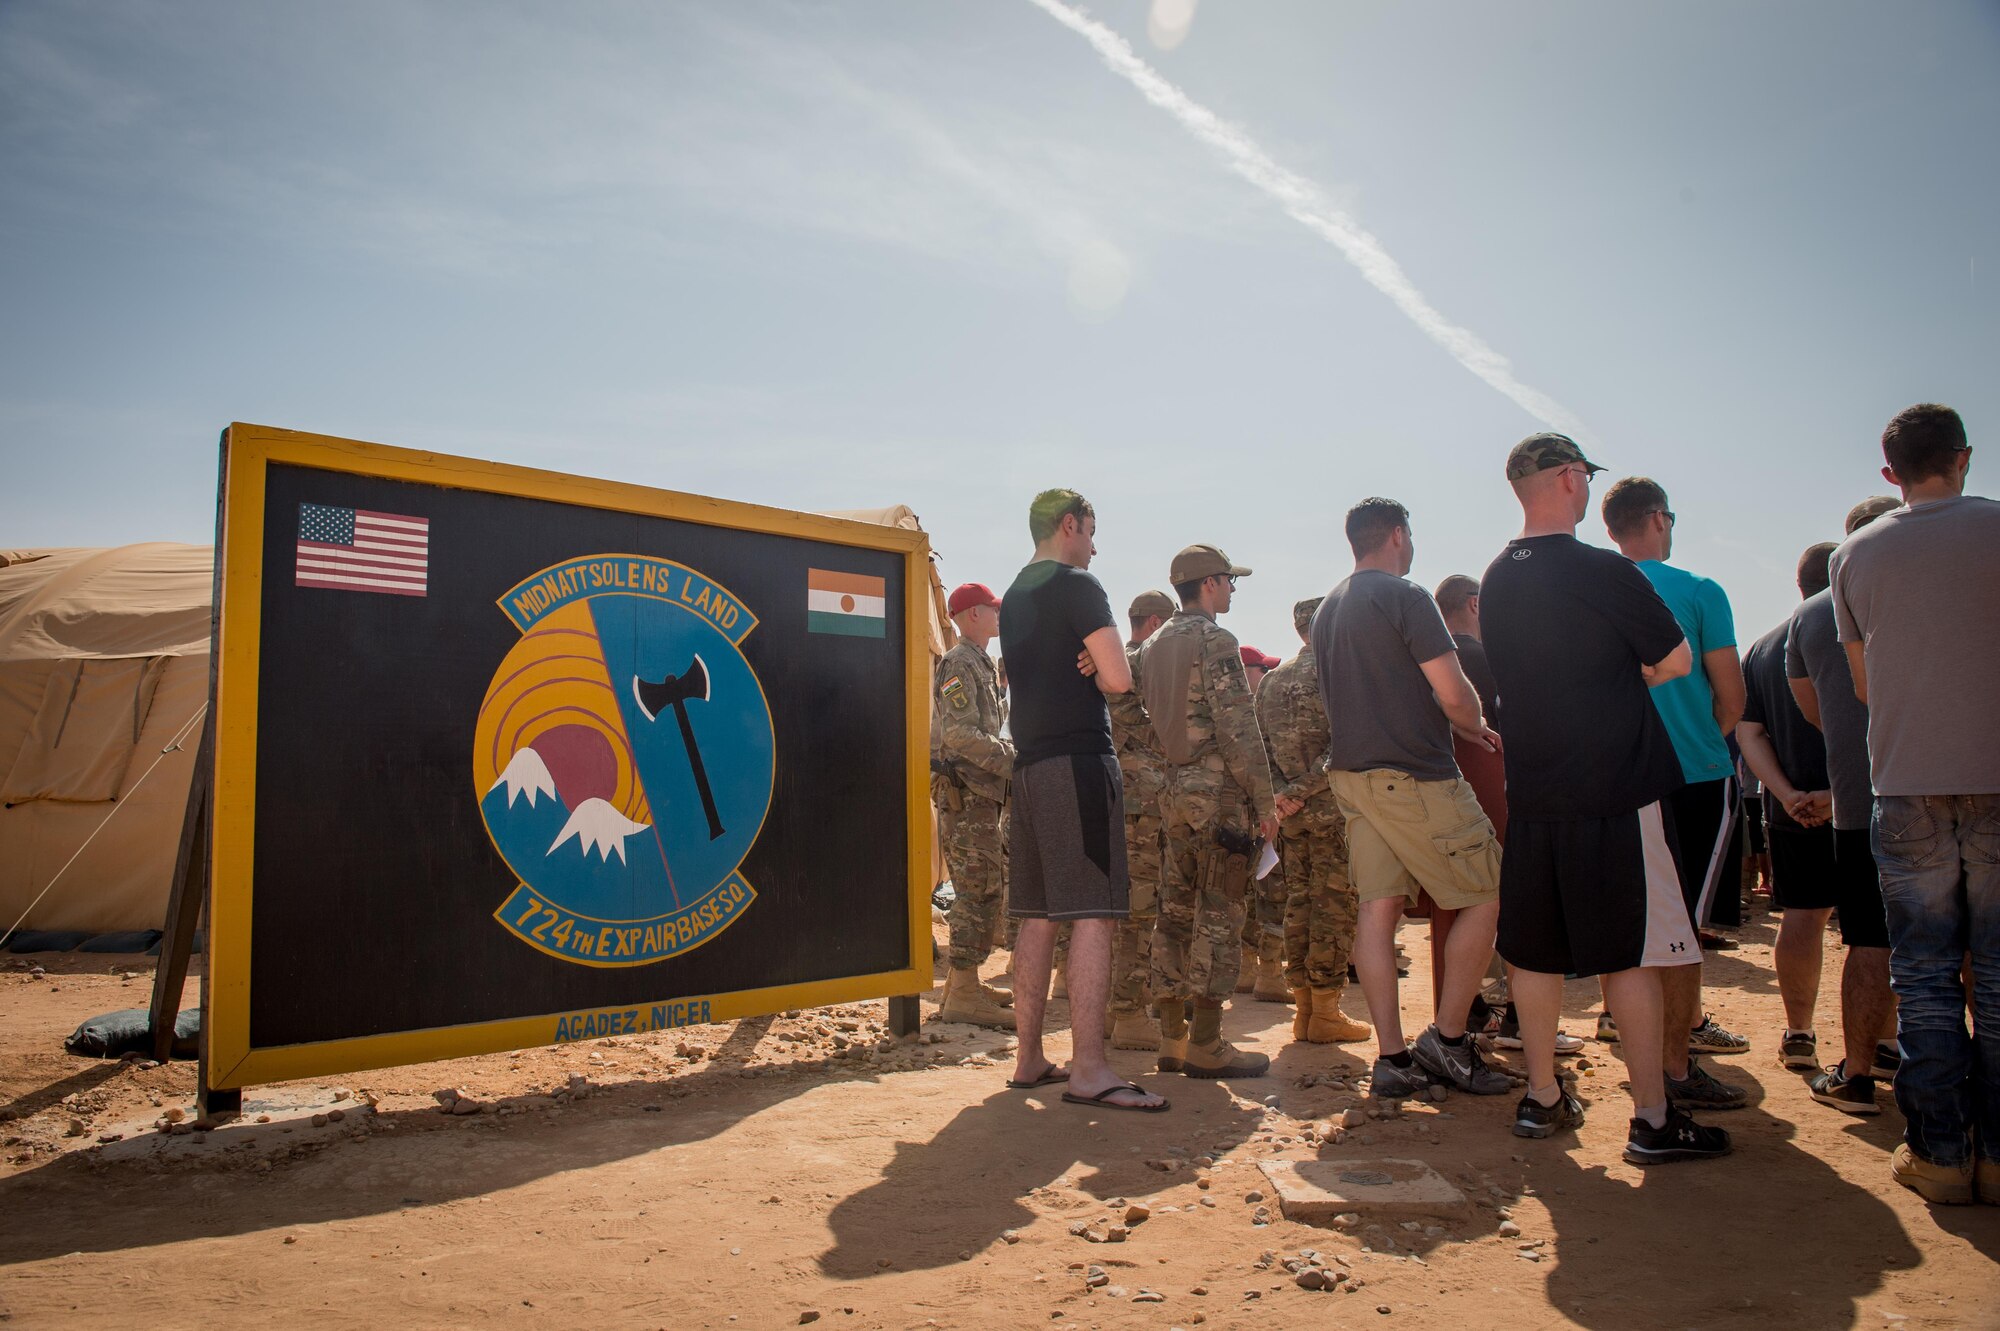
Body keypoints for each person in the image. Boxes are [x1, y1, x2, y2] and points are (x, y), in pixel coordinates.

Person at [1482, 433, 1730, 1163]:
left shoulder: (1496, 576)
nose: (1587, 488)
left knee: (1534, 951)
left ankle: (1542, 1095)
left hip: (1534, 790)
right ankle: (1652, 1116)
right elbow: (1677, 658)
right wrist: (1620, 685)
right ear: (1567, 479)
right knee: (1632, 954)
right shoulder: (1603, 568)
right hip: (1617, 787)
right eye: (1584, 477)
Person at [1829, 403, 2000, 1203]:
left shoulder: (1856, 553)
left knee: (1925, 971)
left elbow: (1864, 685)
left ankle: (1938, 1152)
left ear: (1889, 472)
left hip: (1904, 779)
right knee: (1997, 971)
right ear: (1963, 457)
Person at [1314, 498, 1507, 1100]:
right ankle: (1448, 1042)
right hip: (1414, 776)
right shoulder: (1405, 596)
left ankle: (1392, 1058)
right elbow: (1452, 689)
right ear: (1397, 535)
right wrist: (1470, 721)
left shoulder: (1328, 607)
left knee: (1377, 910)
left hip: (1353, 778)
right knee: (1491, 890)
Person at [997, 488, 1166, 1112]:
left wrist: (1087, 663)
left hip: (1032, 764)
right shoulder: (1079, 585)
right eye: (1092, 532)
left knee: (1038, 915)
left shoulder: (1014, 594)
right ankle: (1089, 1069)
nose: (1095, 547)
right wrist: (1101, 667)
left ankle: (1029, 1058)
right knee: (1093, 911)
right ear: (1069, 525)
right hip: (1078, 763)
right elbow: (1120, 678)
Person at [1601, 477, 1753, 1117]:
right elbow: (1732, 694)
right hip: (1693, 774)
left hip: (1617, 778)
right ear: (1660, 519)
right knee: (1684, 928)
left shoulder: (1597, 590)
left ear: (1612, 529)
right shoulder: (1698, 590)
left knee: (1631, 920)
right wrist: (1699, 740)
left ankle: (1628, 1027)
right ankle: (1677, 1062)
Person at [1786, 498, 1905, 1114]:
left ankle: (1857, 1074)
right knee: (1969, 945)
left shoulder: (1811, 614)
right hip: (1961, 781)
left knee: (1868, 937)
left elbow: (1814, 713)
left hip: (1861, 798)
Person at [1142, 543, 1278, 1079]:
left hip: (1171, 792)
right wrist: (1265, 800)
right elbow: (1237, 727)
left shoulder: (1152, 643)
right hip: (1219, 795)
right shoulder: (1216, 639)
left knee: (1173, 913)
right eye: (1228, 580)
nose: (1231, 590)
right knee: (1220, 914)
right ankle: (1207, 1043)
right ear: (1210, 584)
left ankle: (1172, 1039)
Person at [1739, 545, 1845, 1074]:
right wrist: (1838, 792)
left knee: (1801, 917)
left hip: (1790, 807)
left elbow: (1748, 731)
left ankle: (1799, 1032)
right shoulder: (1852, 630)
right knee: (1877, 932)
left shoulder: (1762, 647)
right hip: (1855, 800)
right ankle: (1883, 1043)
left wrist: (1782, 794)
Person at [1259, 595, 1370, 1043]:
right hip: (1333, 812)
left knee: (1298, 904)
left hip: (1293, 818)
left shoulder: (1271, 681)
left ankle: (1306, 1010)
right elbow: (1345, 746)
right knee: (1334, 907)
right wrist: (1299, 790)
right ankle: (1325, 1011)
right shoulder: (1340, 674)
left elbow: (1259, 746)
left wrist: (1281, 796)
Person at [931, 583, 1018, 1028]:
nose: (998, 615)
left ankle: (961, 984)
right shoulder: (960, 662)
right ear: (969, 615)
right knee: (977, 891)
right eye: (992, 608)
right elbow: (959, 735)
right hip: (967, 797)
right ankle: (964, 992)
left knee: (983, 887)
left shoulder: (980, 662)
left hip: (981, 796)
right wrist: (1014, 761)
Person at [1106, 590, 1175, 1051]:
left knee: (1131, 912)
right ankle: (1130, 1014)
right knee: (1138, 913)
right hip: (1139, 812)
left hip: (1128, 807)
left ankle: (1126, 1007)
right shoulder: (1135, 672)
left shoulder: (1119, 667)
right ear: (1153, 625)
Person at [1238, 641, 1290, 1000]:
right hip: (1264, 812)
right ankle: (1269, 975)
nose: (1267, 675)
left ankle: (1246, 970)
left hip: (1238, 814)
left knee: (1242, 891)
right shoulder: (1254, 711)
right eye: (1262, 669)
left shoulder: (1227, 711)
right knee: (1272, 890)